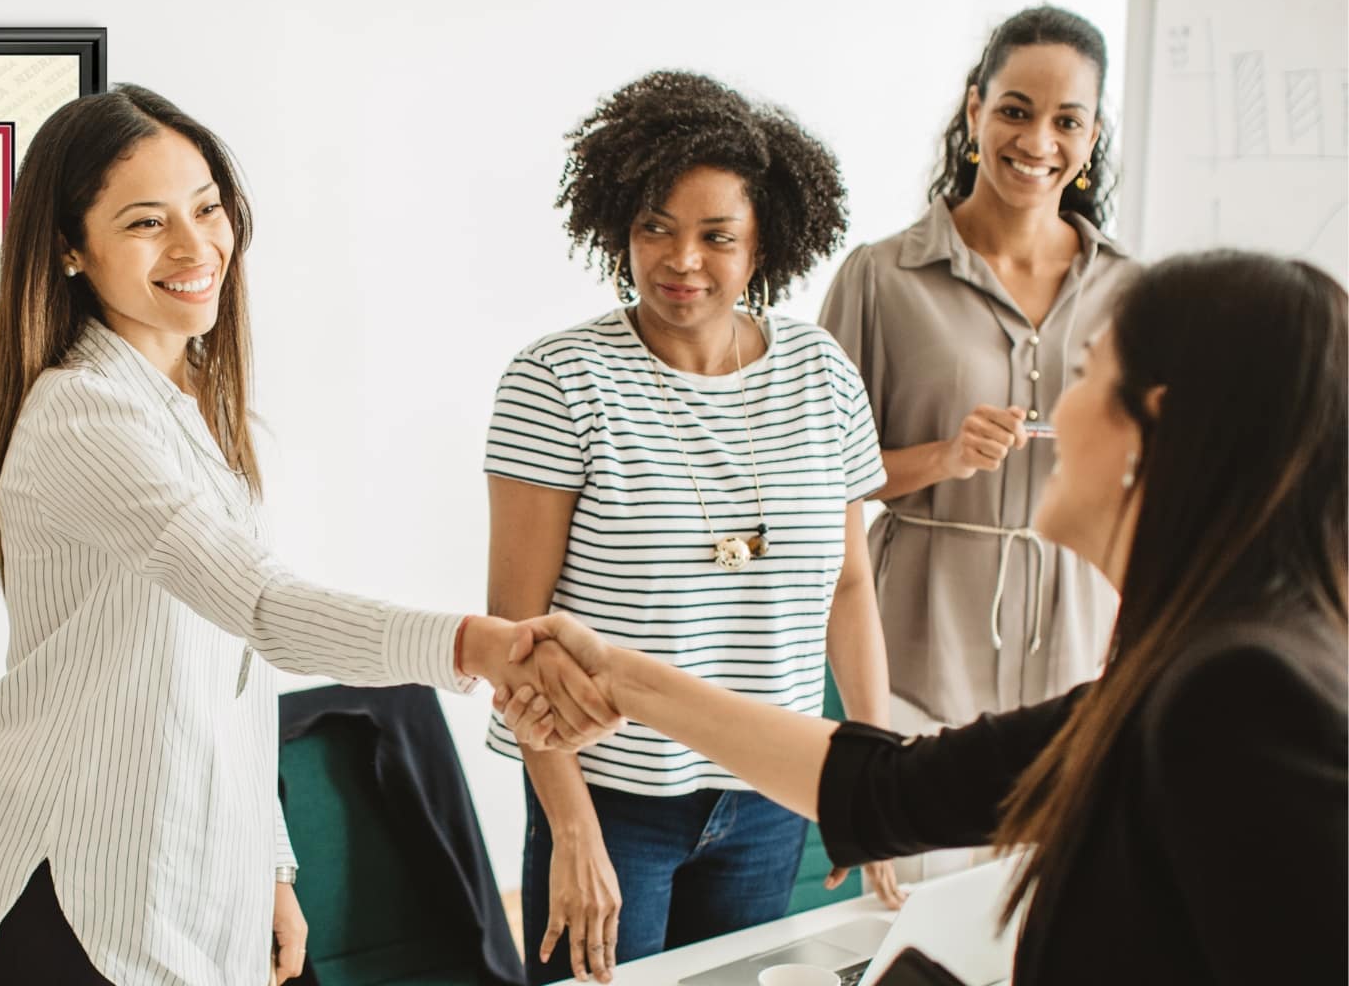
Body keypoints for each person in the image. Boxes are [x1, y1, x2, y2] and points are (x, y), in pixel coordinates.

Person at [500, 250, 1348, 985]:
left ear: (1150, 425)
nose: (1051, 411)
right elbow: (887, 790)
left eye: (1085, 373)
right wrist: (615, 677)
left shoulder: (1244, 692)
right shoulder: (1188, 673)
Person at [0, 84, 617, 986]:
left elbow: (228, 673)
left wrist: (270, 865)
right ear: (70, 248)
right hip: (74, 891)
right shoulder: (84, 417)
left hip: (185, 879)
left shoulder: (183, 407)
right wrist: (481, 646)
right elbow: (262, 605)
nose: (195, 247)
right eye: (147, 223)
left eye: (208, 208)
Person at [483, 71, 896, 985]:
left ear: (766, 244)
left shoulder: (823, 373)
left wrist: (871, 787)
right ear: (616, 228)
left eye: (718, 236)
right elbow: (517, 638)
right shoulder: (556, 383)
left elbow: (852, 588)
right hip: (610, 798)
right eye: (655, 228)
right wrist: (571, 830)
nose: (682, 261)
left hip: (770, 795)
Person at [818, 7, 1138, 788]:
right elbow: (817, 482)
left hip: (1083, 648)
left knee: (1058, 891)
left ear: (1092, 137)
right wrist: (945, 455)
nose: (1038, 143)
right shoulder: (881, 278)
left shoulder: (1133, 291)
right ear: (974, 112)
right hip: (920, 645)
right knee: (922, 891)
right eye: (1015, 112)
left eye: (1068, 121)